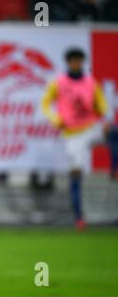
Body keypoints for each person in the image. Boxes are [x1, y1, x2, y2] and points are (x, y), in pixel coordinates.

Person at [41, 48, 108, 231]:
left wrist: (104, 117)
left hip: (91, 127)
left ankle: (114, 168)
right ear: (68, 62)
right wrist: (56, 119)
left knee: (113, 134)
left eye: (79, 60)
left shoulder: (91, 82)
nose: (76, 64)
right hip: (73, 133)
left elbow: (102, 105)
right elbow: (45, 104)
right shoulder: (59, 83)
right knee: (76, 172)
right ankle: (78, 216)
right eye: (73, 61)